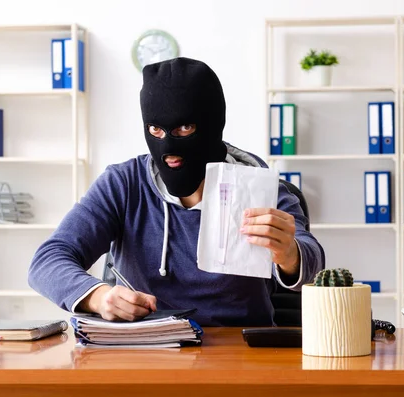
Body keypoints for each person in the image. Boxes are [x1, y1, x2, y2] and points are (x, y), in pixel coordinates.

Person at [28, 57, 325, 327]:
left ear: (212, 125)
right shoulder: (124, 184)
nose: (169, 148)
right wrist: (97, 296)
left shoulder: (259, 186)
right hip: (148, 349)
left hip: (240, 351)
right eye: (155, 130)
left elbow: (312, 261)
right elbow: (48, 259)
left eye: (184, 128)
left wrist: (289, 254)